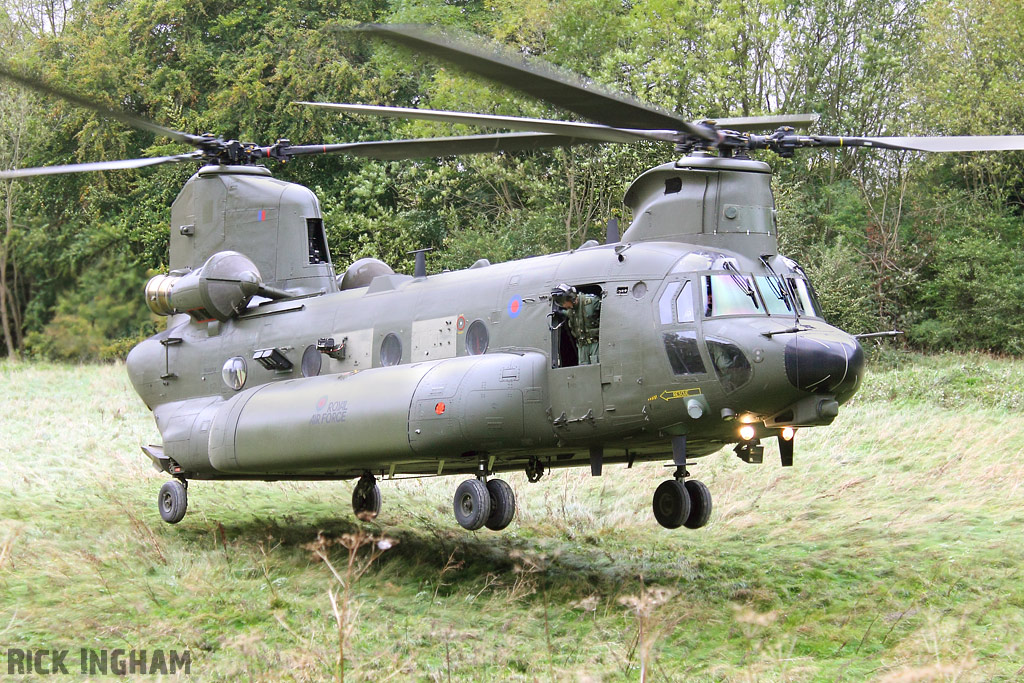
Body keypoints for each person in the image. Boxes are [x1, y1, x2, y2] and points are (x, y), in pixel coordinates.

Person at [552, 283, 601, 364]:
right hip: (582, 347)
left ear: (570, 298)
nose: (563, 305)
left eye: (563, 302)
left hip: (594, 344)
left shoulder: (591, 302)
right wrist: (560, 313)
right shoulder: (571, 310)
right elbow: (569, 313)